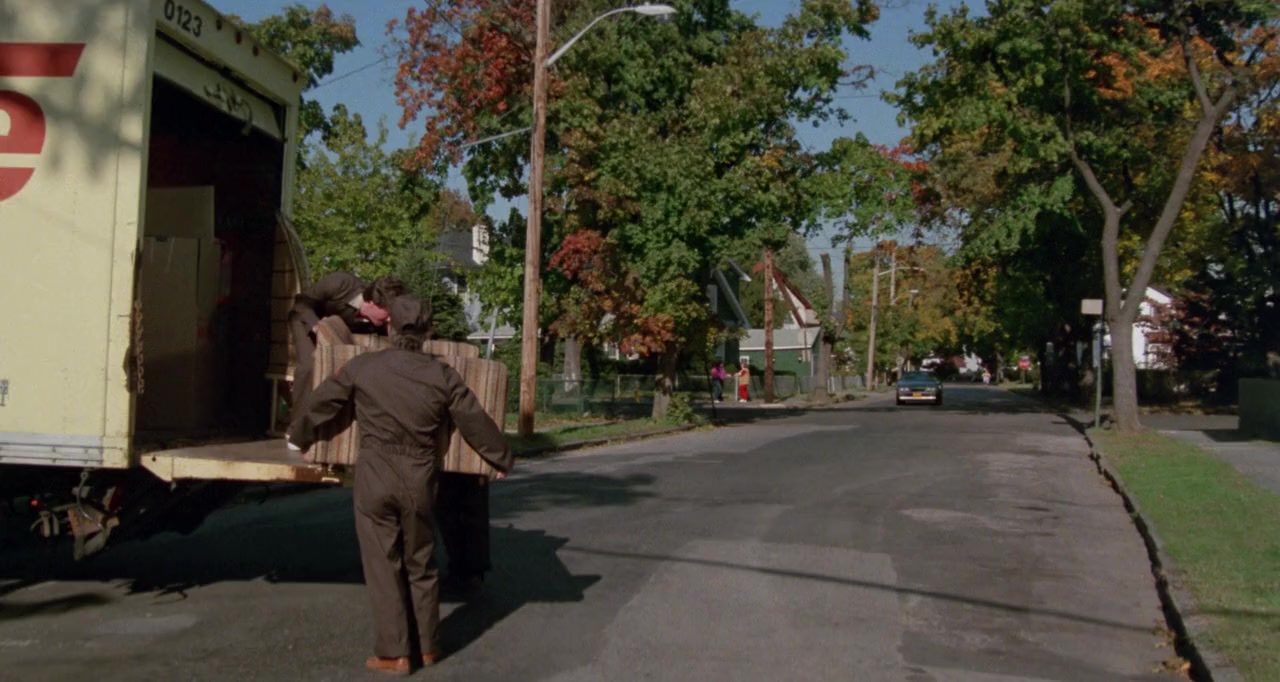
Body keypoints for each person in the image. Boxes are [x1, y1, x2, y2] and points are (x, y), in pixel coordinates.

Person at [288, 295, 511, 675]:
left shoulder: (363, 366)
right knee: (420, 561)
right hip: (420, 476)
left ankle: (394, 653)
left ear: (389, 327)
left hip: (375, 472)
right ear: (428, 332)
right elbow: (474, 419)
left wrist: (298, 436)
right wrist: (500, 459)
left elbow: (322, 402)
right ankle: (428, 646)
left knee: (383, 564)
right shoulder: (443, 375)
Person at [288, 272, 407, 427]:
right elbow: (302, 303)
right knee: (310, 366)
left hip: (339, 333)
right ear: (372, 303)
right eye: (388, 312)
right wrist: (317, 326)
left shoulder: (379, 321)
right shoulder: (339, 283)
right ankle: (297, 427)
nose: (390, 318)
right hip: (306, 320)